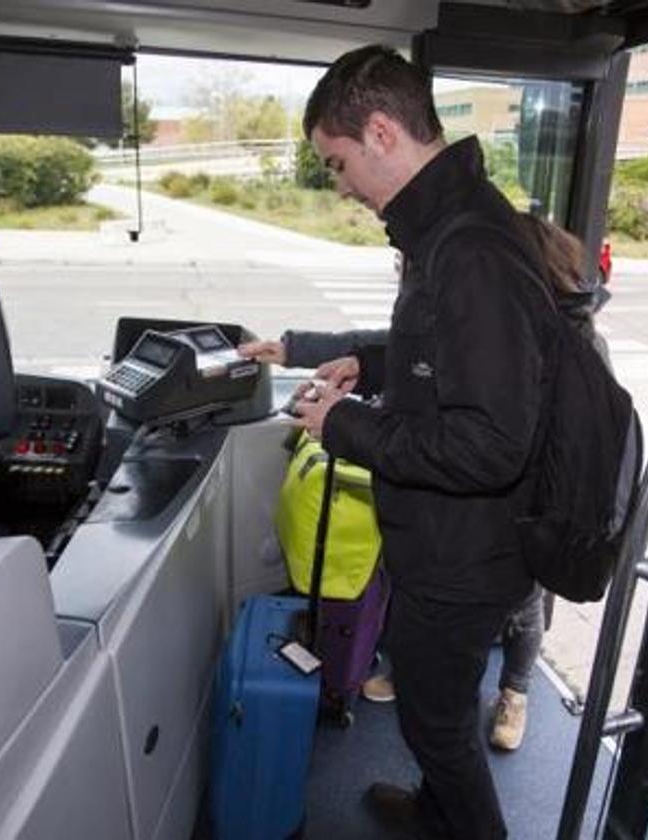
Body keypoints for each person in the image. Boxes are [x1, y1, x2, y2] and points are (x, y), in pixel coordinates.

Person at [286, 45, 558, 840]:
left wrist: (343, 425)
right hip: (444, 543)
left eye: (337, 164)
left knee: (438, 726)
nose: (340, 186)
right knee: (433, 712)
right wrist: (369, 361)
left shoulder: (469, 247)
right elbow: (450, 354)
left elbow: (490, 444)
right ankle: (437, 813)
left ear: (379, 133)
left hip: (465, 556)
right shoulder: (450, 227)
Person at [240, 216, 610, 753]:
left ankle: (514, 690)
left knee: (511, 623)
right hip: (463, 527)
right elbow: (402, 349)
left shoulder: (554, 350)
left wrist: (345, 423)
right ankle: (420, 697)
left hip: (514, 528)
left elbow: (479, 447)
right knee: (429, 665)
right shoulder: (496, 326)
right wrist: (295, 348)